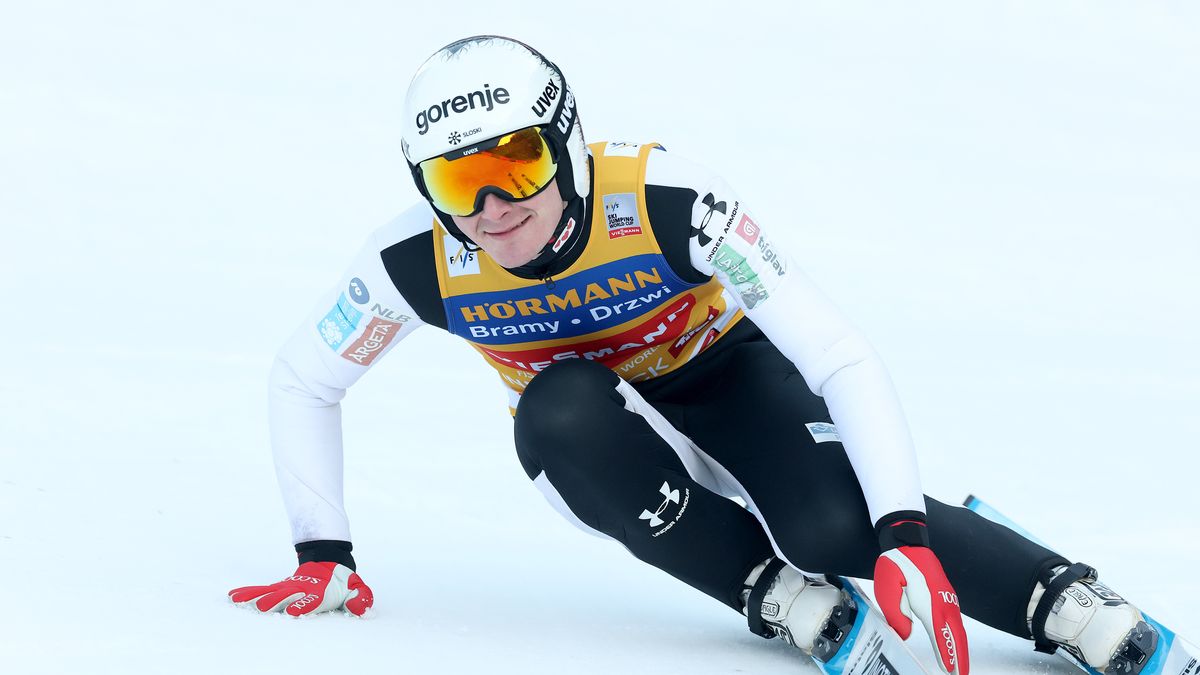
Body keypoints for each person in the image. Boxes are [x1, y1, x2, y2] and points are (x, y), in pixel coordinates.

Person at [229, 36, 1155, 675]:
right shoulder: (415, 260)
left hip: (727, 380)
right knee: (559, 406)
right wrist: (324, 550)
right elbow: (304, 379)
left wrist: (903, 528)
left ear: (566, 143)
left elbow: (837, 352)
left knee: (832, 527)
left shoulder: (668, 200)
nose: (492, 208)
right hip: (594, 441)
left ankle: (1057, 596)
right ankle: (776, 595)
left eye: (516, 164)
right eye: (456, 180)